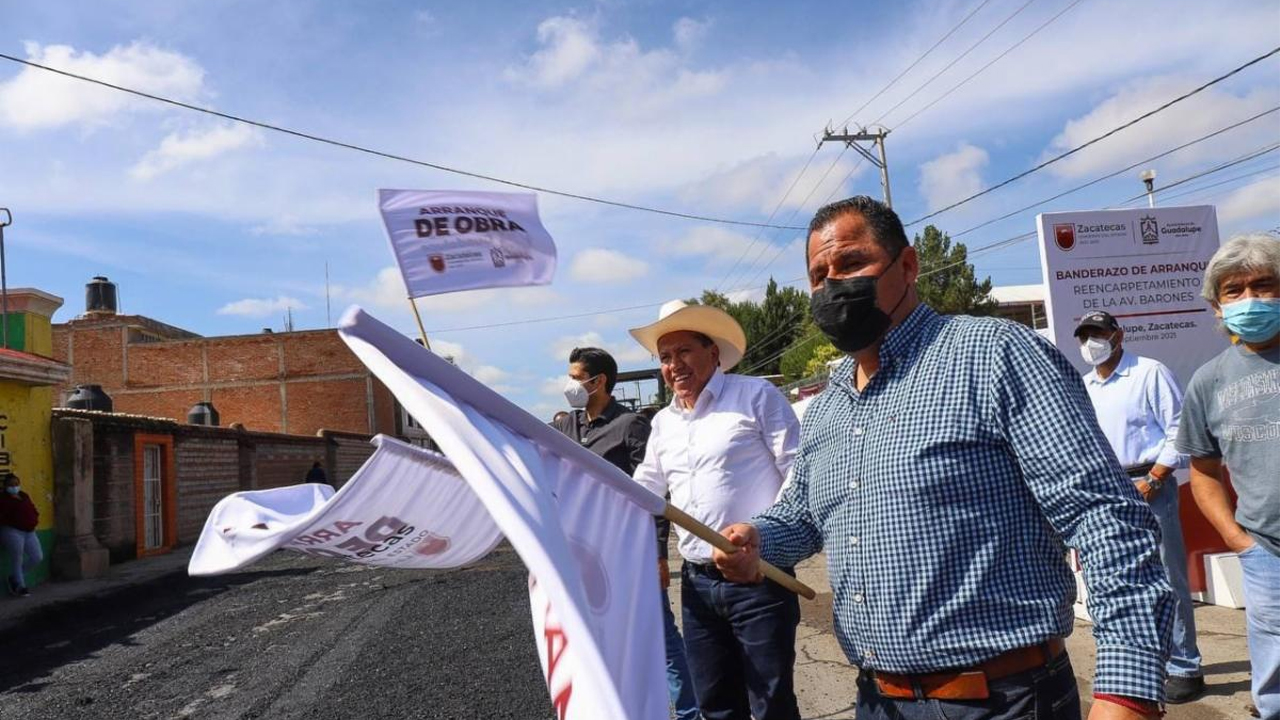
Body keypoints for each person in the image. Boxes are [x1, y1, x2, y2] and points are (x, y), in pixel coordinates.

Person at [713, 196, 1174, 720]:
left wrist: (1127, 692)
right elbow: (801, 514)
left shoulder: (994, 355)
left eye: (850, 263)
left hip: (1003, 701)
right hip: (878, 701)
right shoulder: (828, 406)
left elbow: (1105, 518)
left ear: (907, 266)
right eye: (818, 275)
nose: (832, 286)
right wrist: (758, 539)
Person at [630, 301, 801, 720]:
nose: (675, 365)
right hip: (697, 583)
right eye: (665, 357)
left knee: (771, 705)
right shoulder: (663, 423)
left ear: (714, 353)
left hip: (760, 577)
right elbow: (643, 490)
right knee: (715, 704)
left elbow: (800, 473)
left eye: (685, 351)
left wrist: (764, 535)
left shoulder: (755, 395)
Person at [549, 346, 700, 720]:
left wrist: (658, 554)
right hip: (582, 555)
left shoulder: (630, 425)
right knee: (598, 639)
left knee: (660, 639)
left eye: (574, 376)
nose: (569, 384)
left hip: (628, 552)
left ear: (598, 381)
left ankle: (688, 712)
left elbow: (653, 496)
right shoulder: (566, 426)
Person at [1074, 310, 1204, 703]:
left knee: (1167, 577)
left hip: (1151, 483)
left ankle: (1185, 666)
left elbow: (1179, 430)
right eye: (1084, 336)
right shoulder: (1085, 386)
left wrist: (1155, 478)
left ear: (1118, 334)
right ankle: (1144, 665)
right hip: (1108, 490)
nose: (1090, 342)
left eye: (1098, 333)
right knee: (1117, 580)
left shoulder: (1149, 372)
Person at [1176, 233, 1280, 720]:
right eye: (1233, 290)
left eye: (1264, 285)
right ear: (1216, 307)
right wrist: (1239, 541)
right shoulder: (1209, 381)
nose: (1250, 299)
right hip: (1266, 551)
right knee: (1274, 667)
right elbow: (1203, 472)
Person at [1, 473, 42, 598]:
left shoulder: (24, 495)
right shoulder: (3, 499)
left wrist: (34, 517)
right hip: (12, 531)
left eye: (16, 484)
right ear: (5, 486)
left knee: (37, 557)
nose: (14, 487)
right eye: (11, 484)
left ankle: (14, 577)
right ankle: (20, 586)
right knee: (17, 559)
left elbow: (32, 508)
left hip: (29, 532)